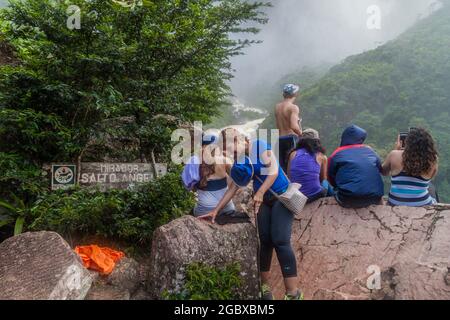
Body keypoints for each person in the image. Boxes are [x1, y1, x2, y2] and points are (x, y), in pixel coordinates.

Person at [200, 128, 303, 301]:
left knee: (280, 240)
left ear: (240, 139)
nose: (230, 150)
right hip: (262, 199)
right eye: (226, 147)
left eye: (231, 145)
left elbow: (274, 170)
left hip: (280, 196)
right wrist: (215, 210)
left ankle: (292, 293)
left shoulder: (259, 145)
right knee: (265, 242)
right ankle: (265, 288)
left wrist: (260, 192)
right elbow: (233, 187)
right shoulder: (241, 160)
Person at [328, 125, 384, 208]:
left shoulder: (336, 154)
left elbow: (330, 177)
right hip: (375, 198)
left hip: (348, 199)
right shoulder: (370, 151)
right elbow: (379, 168)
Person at [381, 128, 439, 207]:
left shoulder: (394, 155)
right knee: (431, 187)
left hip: (395, 203)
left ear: (407, 142)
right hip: (422, 204)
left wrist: (396, 150)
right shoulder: (433, 159)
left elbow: (384, 172)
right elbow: (431, 177)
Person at [182, 133, 236, 217]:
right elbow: (236, 182)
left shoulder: (194, 162)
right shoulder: (225, 160)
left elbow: (189, 187)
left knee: (192, 213)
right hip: (227, 206)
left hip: (205, 209)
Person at [287, 128, 332, 203]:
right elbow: (323, 179)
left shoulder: (293, 154)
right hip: (314, 195)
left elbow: (289, 176)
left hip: (296, 197)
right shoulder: (321, 156)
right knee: (326, 183)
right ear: (317, 141)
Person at [276, 84, 303, 173]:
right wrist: (301, 135)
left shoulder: (277, 107)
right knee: (292, 166)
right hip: (290, 139)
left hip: (280, 138)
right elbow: (293, 126)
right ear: (295, 94)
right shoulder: (293, 107)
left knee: (283, 167)